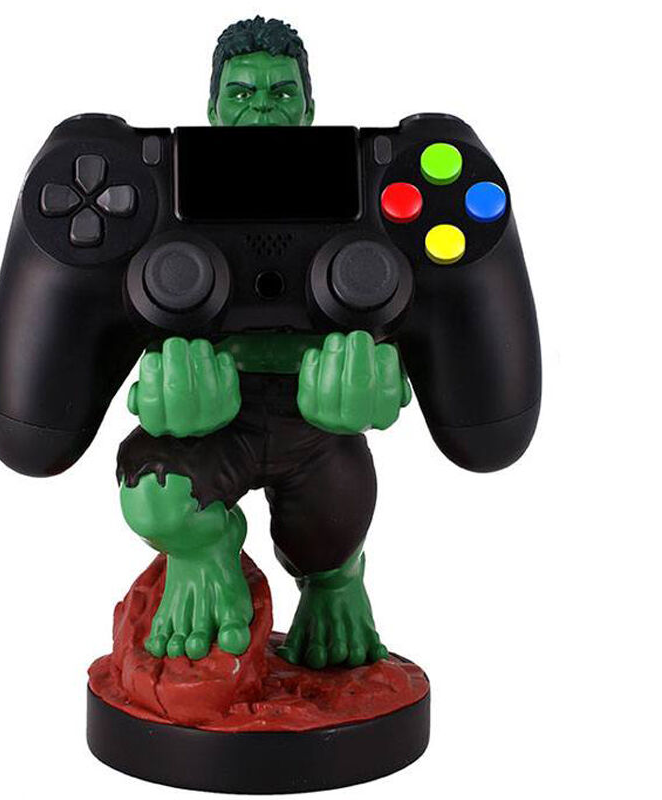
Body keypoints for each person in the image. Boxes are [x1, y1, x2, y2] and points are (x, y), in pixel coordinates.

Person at [117, 16, 411, 669]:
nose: (261, 110)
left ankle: (335, 582)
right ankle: (201, 554)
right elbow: (124, 314)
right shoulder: (167, 196)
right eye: (242, 94)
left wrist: (380, 375)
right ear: (212, 111)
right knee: (155, 495)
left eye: (281, 93)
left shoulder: (359, 194)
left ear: (309, 108)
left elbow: (407, 314)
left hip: (318, 432)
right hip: (212, 426)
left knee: (332, 533)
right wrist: (160, 382)